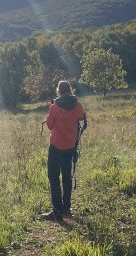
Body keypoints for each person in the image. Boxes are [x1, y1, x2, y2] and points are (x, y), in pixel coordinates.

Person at [41, 80, 87, 221]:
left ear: (58, 91)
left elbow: (49, 125)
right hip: (70, 147)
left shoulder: (54, 107)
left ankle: (57, 211)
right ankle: (67, 208)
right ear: (70, 90)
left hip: (55, 147)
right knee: (67, 177)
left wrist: (52, 108)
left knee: (53, 177)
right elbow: (81, 117)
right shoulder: (78, 105)